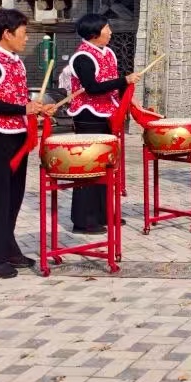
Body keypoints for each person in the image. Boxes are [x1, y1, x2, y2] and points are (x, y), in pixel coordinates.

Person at [0, 8, 51, 279]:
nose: (26, 38)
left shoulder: (15, 61)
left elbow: (17, 98)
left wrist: (35, 108)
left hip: (17, 134)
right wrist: (23, 108)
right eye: (23, 33)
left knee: (13, 195)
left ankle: (7, 247)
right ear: (7, 33)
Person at [63, 14, 142, 234]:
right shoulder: (82, 57)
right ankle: (83, 220)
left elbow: (115, 83)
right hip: (88, 117)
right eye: (107, 28)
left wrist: (129, 97)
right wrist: (123, 80)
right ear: (94, 33)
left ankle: (104, 213)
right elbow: (92, 87)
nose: (110, 32)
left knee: (106, 166)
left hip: (107, 114)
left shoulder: (108, 53)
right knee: (88, 167)